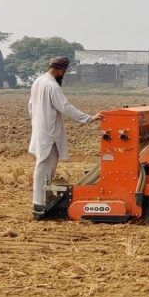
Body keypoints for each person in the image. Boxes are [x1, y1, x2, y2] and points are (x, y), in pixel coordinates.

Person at [28, 56, 102, 219]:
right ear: (60, 70)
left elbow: (31, 107)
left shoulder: (38, 82)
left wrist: (37, 123)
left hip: (41, 129)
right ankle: (39, 205)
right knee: (44, 167)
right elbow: (65, 107)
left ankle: (44, 199)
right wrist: (88, 118)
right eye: (64, 72)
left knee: (46, 167)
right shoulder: (51, 86)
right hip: (48, 133)